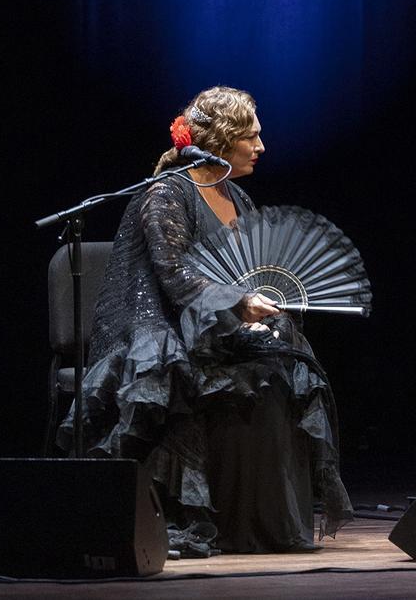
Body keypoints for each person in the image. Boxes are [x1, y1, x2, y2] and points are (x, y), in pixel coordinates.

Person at [59, 85, 352, 554]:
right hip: (163, 331)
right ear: (218, 140)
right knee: (222, 384)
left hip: (217, 329)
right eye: (251, 137)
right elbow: (173, 276)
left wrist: (251, 315)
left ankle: (262, 526)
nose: (261, 147)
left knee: (283, 371)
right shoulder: (167, 194)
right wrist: (238, 304)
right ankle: (213, 522)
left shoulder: (239, 198)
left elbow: (247, 274)